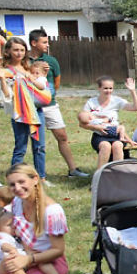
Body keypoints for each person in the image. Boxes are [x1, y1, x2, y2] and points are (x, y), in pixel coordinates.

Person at [0, 164, 90, 274]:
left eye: (21, 182)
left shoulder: (52, 211)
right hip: (24, 260)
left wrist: (28, 259)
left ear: (35, 179)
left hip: (48, 263)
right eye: (12, 185)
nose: (18, 188)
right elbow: (0, 219)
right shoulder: (17, 203)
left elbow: (58, 250)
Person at [28, 29, 88, 178]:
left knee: (62, 136)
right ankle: (39, 175)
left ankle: (73, 170)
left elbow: (57, 82)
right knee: (37, 144)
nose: (47, 45)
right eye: (44, 42)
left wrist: (47, 96)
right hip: (31, 108)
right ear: (33, 43)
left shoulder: (52, 61)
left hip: (50, 105)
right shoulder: (25, 61)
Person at [3, 37, 48, 181]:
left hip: (36, 111)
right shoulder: (6, 70)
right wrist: (3, 79)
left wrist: (42, 74)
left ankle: (41, 177)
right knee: (20, 148)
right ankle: (14, 178)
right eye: (15, 50)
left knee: (39, 147)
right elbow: (6, 94)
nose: (19, 53)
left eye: (22, 50)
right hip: (20, 113)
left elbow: (41, 84)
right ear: (8, 51)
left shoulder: (29, 67)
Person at [78, 76, 137, 170]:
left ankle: (117, 175)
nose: (108, 91)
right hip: (99, 135)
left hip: (115, 134)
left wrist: (132, 91)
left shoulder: (116, 101)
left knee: (118, 145)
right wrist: (96, 128)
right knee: (105, 146)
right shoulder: (91, 103)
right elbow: (82, 123)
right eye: (105, 88)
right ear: (99, 88)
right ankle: (100, 176)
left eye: (110, 88)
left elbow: (136, 108)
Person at [0, 208, 41, 274]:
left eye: (15, 223)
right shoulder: (1, 235)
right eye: (9, 225)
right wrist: (12, 250)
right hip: (1, 267)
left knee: (33, 256)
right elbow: (3, 245)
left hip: (17, 261)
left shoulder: (15, 236)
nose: (13, 226)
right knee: (10, 260)